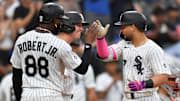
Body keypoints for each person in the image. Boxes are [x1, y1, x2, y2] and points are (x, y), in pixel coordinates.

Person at [10, 3, 97, 101]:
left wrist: (19, 98)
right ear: (54, 21)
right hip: (51, 95)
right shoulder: (59, 43)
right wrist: (88, 44)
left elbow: (16, 77)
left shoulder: (21, 39)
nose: (61, 23)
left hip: (27, 95)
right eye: (60, 20)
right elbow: (82, 69)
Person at [95, 11, 171, 101]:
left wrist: (143, 84)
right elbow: (104, 55)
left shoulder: (153, 49)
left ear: (133, 27)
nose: (121, 31)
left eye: (123, 27)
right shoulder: (124, 45)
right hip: (127, 98)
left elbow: (163, 76)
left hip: (147, 97)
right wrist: (100, 39)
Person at [57, 11, 97, 101]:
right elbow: (82, 69)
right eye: (78, 25)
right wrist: (88, 44)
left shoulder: (61, 45)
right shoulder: (60, 46)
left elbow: (82, 69)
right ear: (68, 26)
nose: (81, 29)